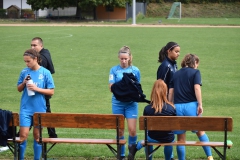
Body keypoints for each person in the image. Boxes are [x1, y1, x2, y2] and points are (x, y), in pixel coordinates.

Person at [168, 54, 213, 160]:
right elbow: (197, 88)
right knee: (200, 131)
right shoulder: (196, 72)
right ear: (195, 62)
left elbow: (171, 92)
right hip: (191, 106)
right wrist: (200, 104)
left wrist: (170, 105)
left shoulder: (176, 74)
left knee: (181, 138)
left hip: (177, 107)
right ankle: (210, 157)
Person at [17, 49, 55, 160]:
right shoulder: (24, 72)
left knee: (37, 136)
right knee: (23, 135)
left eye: (28, 61)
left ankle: (36, 159)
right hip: (25, 109)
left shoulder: (45, 73)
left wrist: (36, 88)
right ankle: (21, 158)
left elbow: (51, 91)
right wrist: (24, 83)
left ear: (35, 59)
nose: (26, 64)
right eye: (25, 61)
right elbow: (19, 89)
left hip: (39, 109)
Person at [127, 79, 176, 160]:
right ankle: (168, 158)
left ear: (153, 92)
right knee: (169, 140)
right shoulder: (171, 108)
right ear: (165, 92)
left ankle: (138, 148)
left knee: (147, 138)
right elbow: (174, 126)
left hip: (152, 137)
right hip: (168, 138)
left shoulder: (147, 109)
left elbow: (146, 128)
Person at [109, 46, 140, 160]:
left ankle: (131, 154)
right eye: (121, 59)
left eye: (125, 59)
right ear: (118, 58)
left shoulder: (135, 70)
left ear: (130, 58)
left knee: (132, 130)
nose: (123, 61)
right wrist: (126, 86)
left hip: (131, 104)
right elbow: (111, 87)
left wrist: (122, 88)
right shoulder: (114, 70)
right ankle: (121, 156)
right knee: (120, 130)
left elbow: (137, 88)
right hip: (117, 104)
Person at [157, 42, 180, 160]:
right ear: (168, 51)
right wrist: (164, 102)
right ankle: (169, 157)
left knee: (170, 132)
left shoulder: (173, 65)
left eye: (179, 51)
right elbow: (160, 86)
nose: (178, 54)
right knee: (168, 132)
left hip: (171, 102)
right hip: (165, 103)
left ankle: (169, 157)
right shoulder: (165, 66)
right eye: (176, 51)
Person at [31, 37, 57, 138]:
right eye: (31, 45)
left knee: (36, 112)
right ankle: (53, 134)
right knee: (46, 112)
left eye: (35, 45)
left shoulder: (41, 59)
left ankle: (19, 134)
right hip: (44, 90)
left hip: (42, 91)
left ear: (41, 45)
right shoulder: (46, 52)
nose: (32, 47)